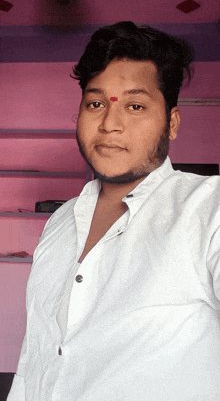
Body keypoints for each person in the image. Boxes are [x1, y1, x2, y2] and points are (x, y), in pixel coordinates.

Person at [7, 22, 220, 401]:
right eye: (96, 103)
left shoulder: (208, 209)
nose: (109, 123)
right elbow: (38, 352)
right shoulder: (61, 221)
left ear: (170, 123)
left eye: (135, 106)